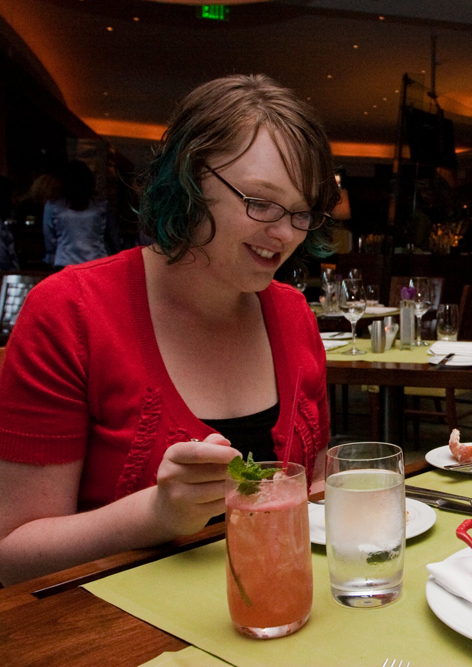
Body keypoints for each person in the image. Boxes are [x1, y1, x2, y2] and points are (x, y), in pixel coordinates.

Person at [0, 74, 339, 584]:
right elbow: (12, 556)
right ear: (188, 179)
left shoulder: (292, 314)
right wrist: (157, 515)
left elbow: (312, 488)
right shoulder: (70, 311)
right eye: (261, 203)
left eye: (301, 211)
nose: (286, 233)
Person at [43, 160, 114, 267]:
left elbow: (49, 239)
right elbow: (112, 235)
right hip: (96, 262)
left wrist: (51, 256)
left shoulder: (53, 206)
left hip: (64, 262)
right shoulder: (101, 206)